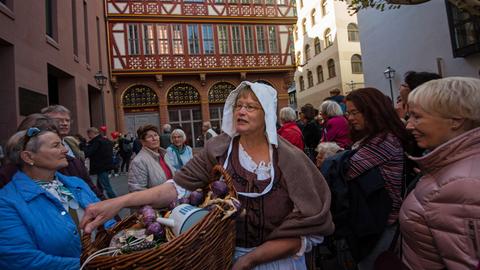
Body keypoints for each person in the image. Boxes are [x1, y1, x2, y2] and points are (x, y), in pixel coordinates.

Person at [80, 81, 334, 270]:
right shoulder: (219, 149)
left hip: (279, 263)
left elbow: (308, 228)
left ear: (267, 113)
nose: (241, 112)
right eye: (239, 106)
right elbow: (175, 188)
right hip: (222, 257)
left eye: (251, 107)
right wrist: (119, 202)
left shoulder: (290, 159)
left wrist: (250, 259)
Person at [0, 127, 115, 270]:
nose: (65, 150)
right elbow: (20, 259)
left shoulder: (76, 183)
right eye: (56, 146)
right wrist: (90, 266)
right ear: (28, 157)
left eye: (62, 144)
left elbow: (107, 221)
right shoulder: (7, 202)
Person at [400, 77, 480, 270]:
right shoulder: (455, 169)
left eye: (417, 117)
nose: (409, 125)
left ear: (456, 120)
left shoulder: (462, 185)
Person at [344, 88, 410, 269]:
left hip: (383, 222)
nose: (349, 118)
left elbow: (346, 171)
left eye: (354, 112)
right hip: (373, 218)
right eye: (348, 113)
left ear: (372, 110)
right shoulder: (374, 137)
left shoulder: (385, 141)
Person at [128, 125, 175, 192]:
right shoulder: (138, 162)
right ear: (143, 142)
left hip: (172, 199)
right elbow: (137, 191)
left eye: (156, 135)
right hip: (157, 201)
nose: (154, 138)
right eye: (150, 137)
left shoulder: (165, 154)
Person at [84, 127, 116, 198]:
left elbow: (88, 152)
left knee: (106, 185)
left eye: (88, 134)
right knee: (100, 185)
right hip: (106, 165)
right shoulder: (106, 140)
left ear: (91, 133)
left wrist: (84, 147)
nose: (88, 136)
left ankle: (114, 199)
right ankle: (100, 197)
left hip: (100, 166)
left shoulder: (96, 142)